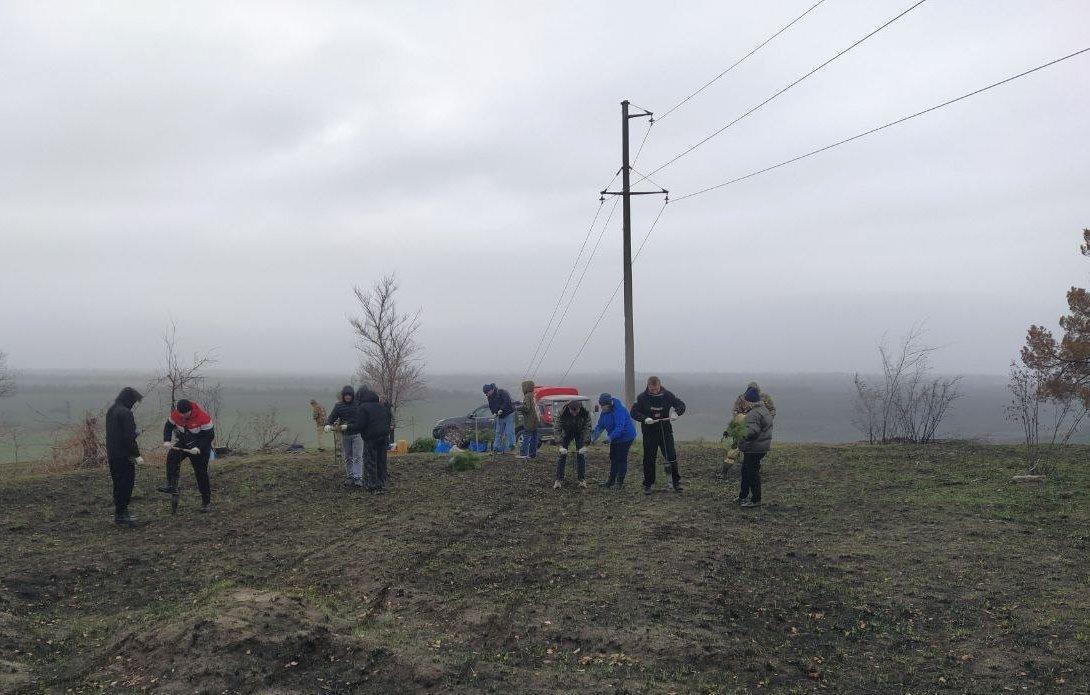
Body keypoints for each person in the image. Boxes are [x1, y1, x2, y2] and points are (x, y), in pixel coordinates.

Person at [630, 376, 687, 494]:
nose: (654, 391)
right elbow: (634, 412)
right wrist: (644, 418)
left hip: (665, 430)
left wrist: (676, 413)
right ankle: (649, 484)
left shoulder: (667, 395)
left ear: (659, 386)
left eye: (656, 389)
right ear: (648, 386)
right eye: (652, 390)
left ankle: (676, 483)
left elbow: (681, 405)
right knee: (649, 458)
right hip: (649, 431)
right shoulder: (642, 397)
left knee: (671, 456)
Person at [158, 399, 215, 512]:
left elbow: (209, 436)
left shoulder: (203, 417)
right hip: (185, 442)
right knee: (172, 457)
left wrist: (198, 447)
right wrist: (167, 440)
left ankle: (206, 502)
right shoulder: (176, 414)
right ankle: (171, 485)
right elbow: (169, 426)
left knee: (201, 473)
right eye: (181, 414)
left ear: (190, 410)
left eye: (186, 414)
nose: (183, 416)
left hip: (200, 447)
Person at [105, 387, 143, 526]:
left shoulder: (111, 410)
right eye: (133, 401)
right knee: (126, 484)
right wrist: (136, 454)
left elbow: (116, 433)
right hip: (125, 455)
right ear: (129, 400)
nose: (133, 404)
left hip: (112, 454)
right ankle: (123, 514)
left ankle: (119, 512)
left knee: (117, 484)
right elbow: (128, 437)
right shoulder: (126, 413)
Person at [592, 392, 637, 490]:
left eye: (604, 405)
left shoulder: (619, 410)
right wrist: (593, 438)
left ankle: (619, 482)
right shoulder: (604, 412)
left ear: (610, 403)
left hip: (626, 437)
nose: (603, 408)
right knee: (613, 457)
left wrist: (610, 438)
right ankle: (611, 481)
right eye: (601, 405)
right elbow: (600, 426)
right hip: (615, 438)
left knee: (621, 458)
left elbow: (619, 427)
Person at [738, 385, 774, 507]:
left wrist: (740, 435)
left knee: (751, 473)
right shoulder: (763, 409)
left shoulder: (753, 413)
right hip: (760, 447)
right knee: (746, 471)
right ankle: (743, 496)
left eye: (745, 400)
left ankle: (755, 499)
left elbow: (752, 432)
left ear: (749, 400)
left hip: (754, 448)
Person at [354, 386, 392, 493]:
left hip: (371, 438)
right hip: (384, 436)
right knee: (381, 461)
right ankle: (382, 483)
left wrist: (347, 427)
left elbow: (360, 425)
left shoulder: (363, 407)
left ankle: (372, 485)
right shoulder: (381, 406)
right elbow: (388, 418)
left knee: (370, 461)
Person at [325, 386, 362, 487]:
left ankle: (358, 478)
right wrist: (328, 424)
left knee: (357, 456)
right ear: (343, 396)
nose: (348, 397)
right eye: (346, 395)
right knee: (348, 457)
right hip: (345, 435)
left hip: (356, 434)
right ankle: (350, 476)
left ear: (352, 395)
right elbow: (332, 417)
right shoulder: (339, 406)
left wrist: (348, 426)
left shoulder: (358, 405)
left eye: (349, 395)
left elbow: (360, 422)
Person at [553, 398, 592, 489]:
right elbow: (557, 429)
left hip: (580, 432)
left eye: (576, 411)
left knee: (581, 455)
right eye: (572, 411)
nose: (574, 414)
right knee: (561, 455)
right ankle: (558, 480)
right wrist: (560, 446)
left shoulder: (585, 413)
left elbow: (587, 428)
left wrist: (585, 445)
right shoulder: (562, 413)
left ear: (580, 408)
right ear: (569, 408)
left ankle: (582, 480)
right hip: (567, 432)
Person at [483, 383, 516, 453]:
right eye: (485, 393)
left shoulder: (501, 392)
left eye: (487, 392)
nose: (486, 394)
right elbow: (491, 407)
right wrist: (494, 413)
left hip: (509, 414)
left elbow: (507, 401)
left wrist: (501, 409)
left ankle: (511, 445)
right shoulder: (489, 397)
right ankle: (496, 447)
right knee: (498, 432)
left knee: (509, 431)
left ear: (491, 390)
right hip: (500, 416)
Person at [516, 380, 540, 459]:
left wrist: (517, 408)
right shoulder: (533, 395)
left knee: (526, 436)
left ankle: (523, 454)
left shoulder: (527, 396)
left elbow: (526, 408)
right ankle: (533, 454)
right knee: (534, 438)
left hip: (529, 420)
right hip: (535, 419)